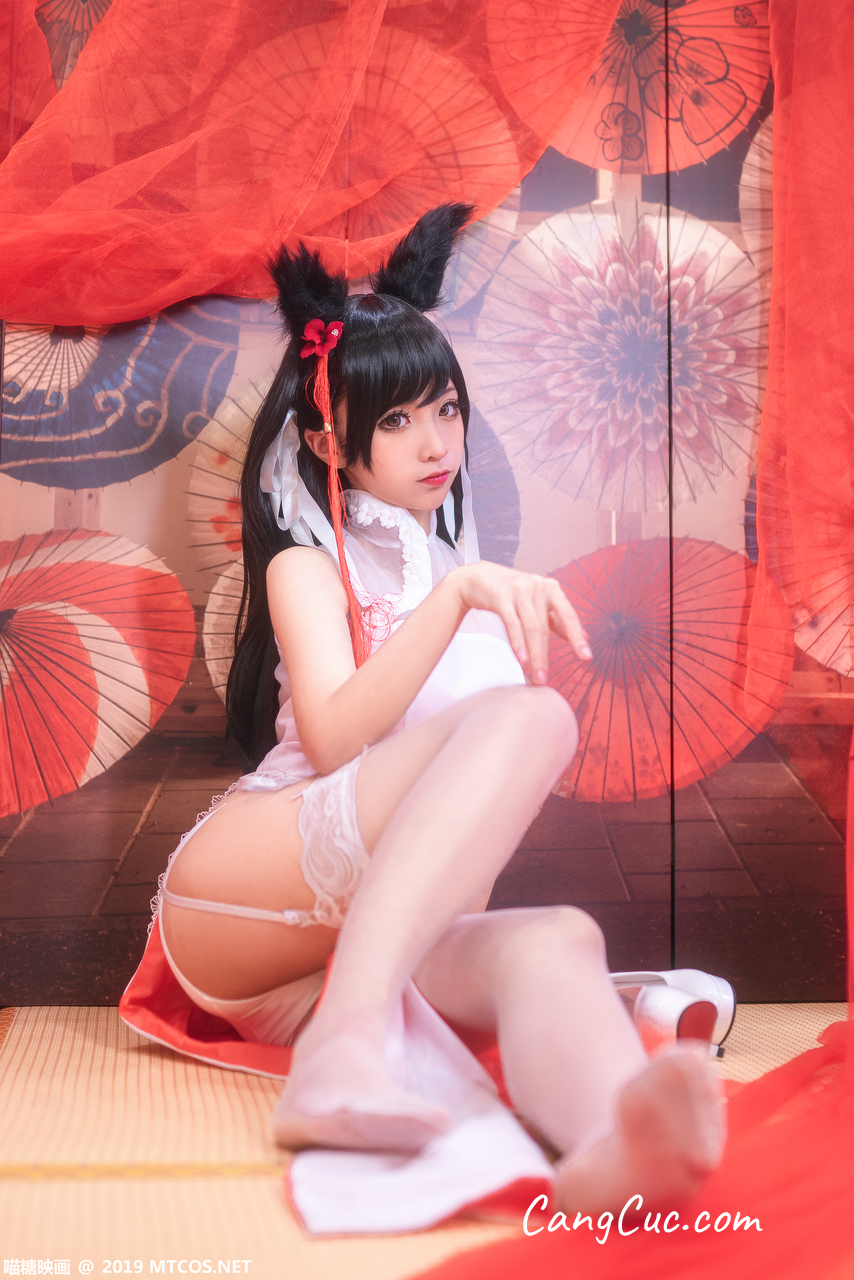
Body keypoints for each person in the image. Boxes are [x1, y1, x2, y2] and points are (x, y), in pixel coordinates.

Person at [152, 204, 725, 1214]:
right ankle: (346, 1042)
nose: (434, 441)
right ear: (329, 442)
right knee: (538, 717)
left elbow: (455, 823)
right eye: (396, 420)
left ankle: (610, 1148)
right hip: (243, 890)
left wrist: (460, 588)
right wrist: (456, 599)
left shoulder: (461, 567)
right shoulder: (306, 567)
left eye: (445, 410)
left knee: (557, 937)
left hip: (355, 939)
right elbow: (333, 735)